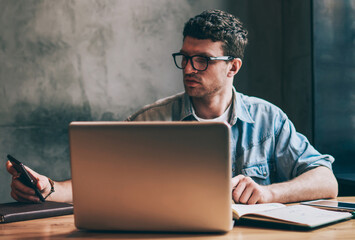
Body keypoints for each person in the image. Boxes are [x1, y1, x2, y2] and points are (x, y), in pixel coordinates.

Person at [6, 9, 338, 204]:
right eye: (185, 57)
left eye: (202, 60)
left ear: (233, 67)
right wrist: (49, 189)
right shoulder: (149, 120)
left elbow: (326, 180)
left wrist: (269, 193)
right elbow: (100, 181)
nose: (189, 68)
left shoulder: (269, 119)